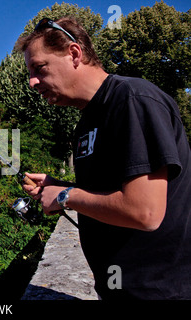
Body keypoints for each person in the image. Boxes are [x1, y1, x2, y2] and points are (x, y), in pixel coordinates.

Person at [16, 17, 191, 299]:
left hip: (158, 292)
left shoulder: (133, 100)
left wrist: (65, 196)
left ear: (74, 54)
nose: (32, 82)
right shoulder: (87, 121)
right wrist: (56, 185)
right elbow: (108, 192)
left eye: (39, 68)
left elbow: (144, 212)